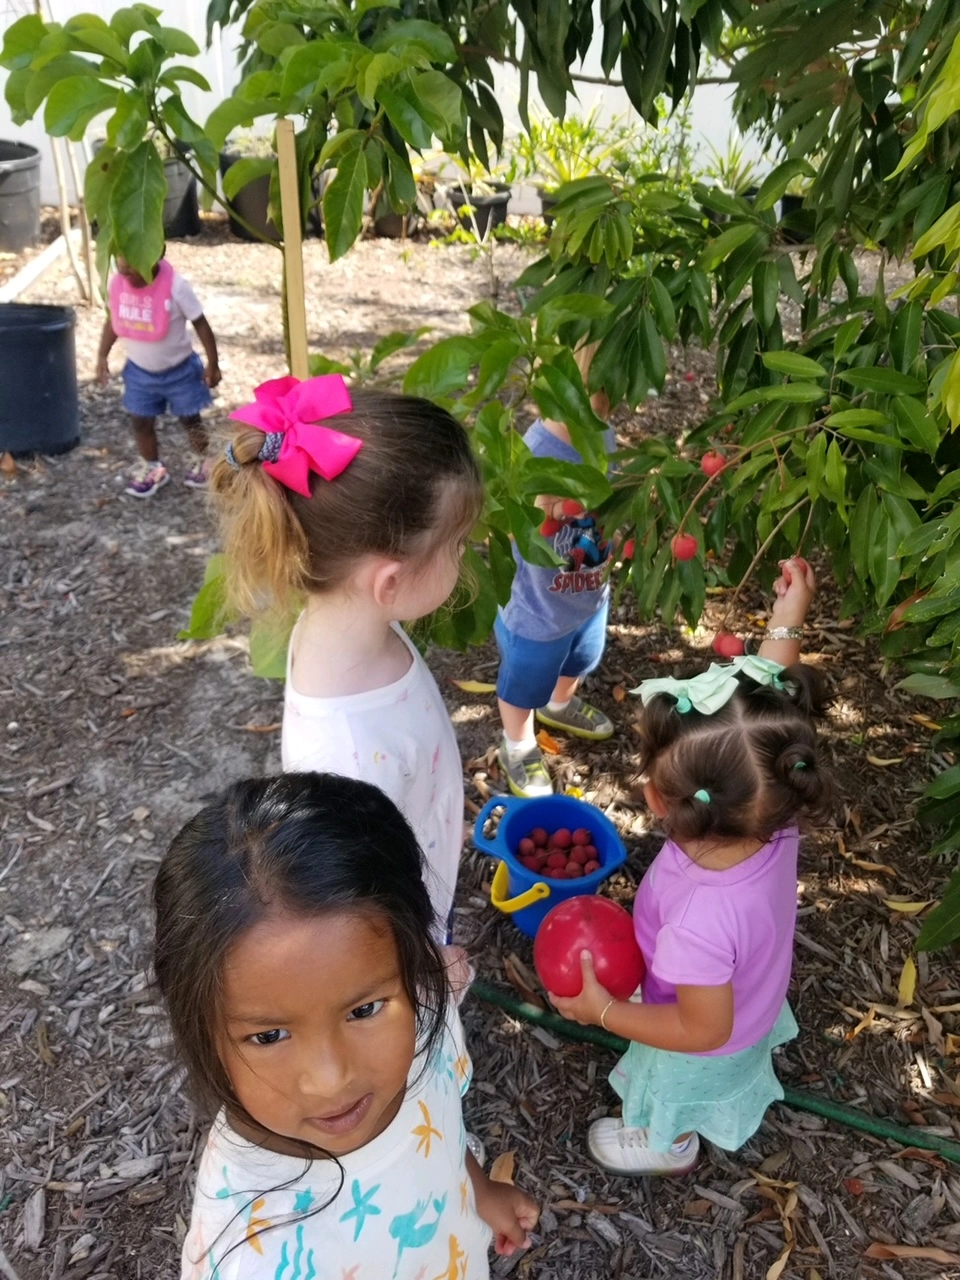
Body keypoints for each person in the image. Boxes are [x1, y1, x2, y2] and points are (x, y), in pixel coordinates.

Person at [154, 772, 539, 1278]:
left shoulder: (422, 1022)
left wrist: (478, 1190)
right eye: (269, 1036)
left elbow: (439, 1125)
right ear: (202, 1031)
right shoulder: (248, 1258)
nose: (332, 1079)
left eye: (363, 1011)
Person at [549, 558, 830, 1175]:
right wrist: (787, 620)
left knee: (669, 1087)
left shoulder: (699, 922)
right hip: (750, 988)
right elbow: (768, 702)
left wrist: (604, 1013)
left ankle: (667, 1142)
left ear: (654, 797)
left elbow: (699, 1031)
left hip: (701, 1037)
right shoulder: (771, 811)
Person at [209, 373, 483, 948]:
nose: (463, 558)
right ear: (390, 582)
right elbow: (354, 915)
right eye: (457, 545)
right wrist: (426, 974)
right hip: (406, 941)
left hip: (422, 871)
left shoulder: (349, 629)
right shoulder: (346, 759)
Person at [494, 354, 616, 799]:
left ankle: (560, 705)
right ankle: (519, 743)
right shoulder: (532, 453)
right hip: (537, 609)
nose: (605, 414)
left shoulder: (603, 435)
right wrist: (544, 508)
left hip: (588, 594)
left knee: (582, 658)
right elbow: (507, 522)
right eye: (597, 401)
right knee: (524, 680)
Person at [96, 248, 221, 498]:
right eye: (119, 259)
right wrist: (102, 355)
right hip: (139, 373)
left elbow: (201, 323)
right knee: (140, 421)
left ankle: (204, 462)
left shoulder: (175, 286)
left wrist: (212, 363)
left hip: (181, 371)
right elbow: (113, 321)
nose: (123, 266)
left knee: (190, 419)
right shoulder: (118, 285)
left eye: (131, 260)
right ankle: (153, 467)